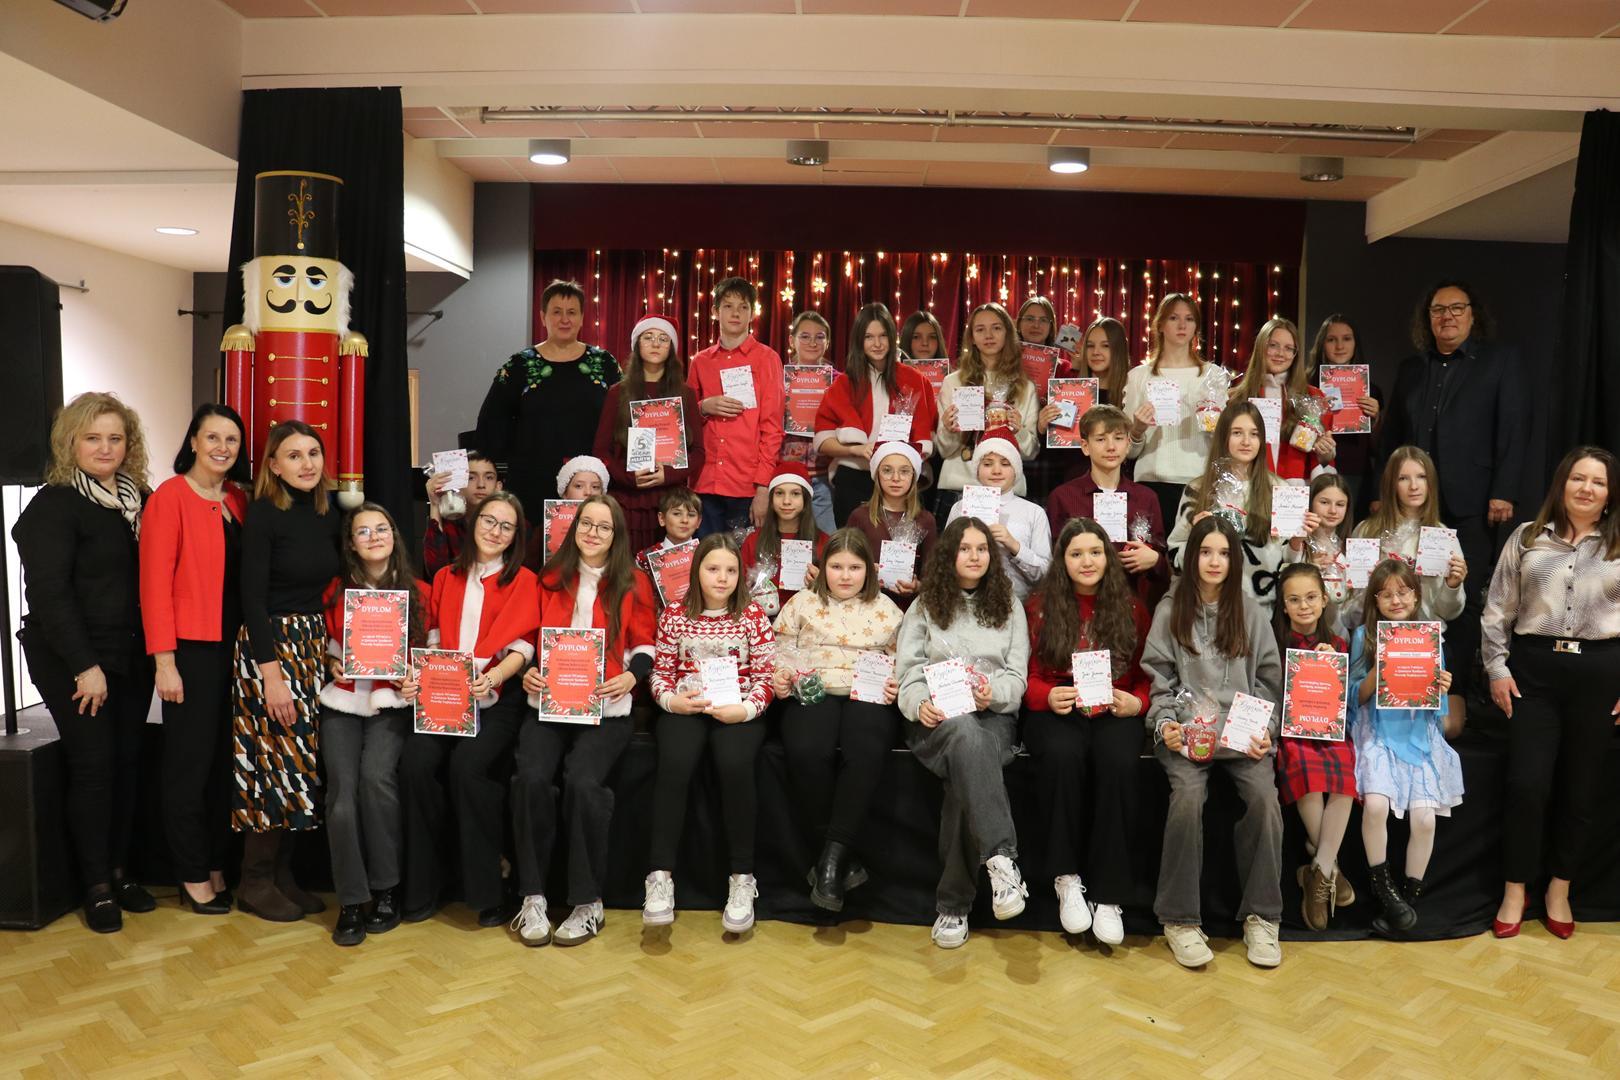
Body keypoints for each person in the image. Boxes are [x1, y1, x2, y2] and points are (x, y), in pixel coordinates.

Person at [15, 393, 155, 933]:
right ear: (69, 442)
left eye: (115, 438)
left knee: (126, 762)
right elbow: (50, 596)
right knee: (94, 766)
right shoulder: (53, 506)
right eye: (92, 438)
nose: (105, 448)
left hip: (130, 652)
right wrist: (84, 665)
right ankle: (96, 887)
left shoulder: (136, 500)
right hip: (73, 658)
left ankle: (119, 872)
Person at [1482, 447, 1620, 940]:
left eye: (1598, 482)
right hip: (1534, 673)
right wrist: (1496, 668)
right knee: (1527, 785)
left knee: (1581, 789)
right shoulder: (1526, 537)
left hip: (1600, 675)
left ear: (1610, 494)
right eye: (1578, 478)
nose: (1587, 488)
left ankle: (1559, 888)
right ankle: (1515, 888)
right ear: (1562, 484)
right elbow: (1497, 608)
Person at [511, 494, 656, 947]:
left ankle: (587, 902)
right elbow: (528, 637)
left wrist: (631, 678)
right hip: (549, 703)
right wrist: (527, 669)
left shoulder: (633, 581)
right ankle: (533, 896)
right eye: (586, 524)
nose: (593, 533)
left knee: (584, 782)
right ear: (574, 529)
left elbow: (645, 646)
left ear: (616, 535)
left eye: (603, 526)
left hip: (606, 707)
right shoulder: (550, 577)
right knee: (531, 778)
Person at [1379, 281, 1527, 719]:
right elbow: (1392, 436)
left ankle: (1454, 690)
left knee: (1460, 595)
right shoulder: (1412, 368)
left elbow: (1514, 426)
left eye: (1456, 308)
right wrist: (1379, 497)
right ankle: (1401, 682)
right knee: (1403, 592)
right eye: (1438, 310)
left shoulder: (1499, 362)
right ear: (1427, 319)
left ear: (1472, 314)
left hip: (1470, 504)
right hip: (1412, 504)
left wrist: (1504, 489)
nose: (1447, 316)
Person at [1142, 516, 1284, 970]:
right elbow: (1159, 681)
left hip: (1242, 738)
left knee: (1264, 801)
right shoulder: (1171, 611)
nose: (1215, 561)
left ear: (1235, 560)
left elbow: (1269, 682)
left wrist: (1266, 729)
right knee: (1187, 798)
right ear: (1192, 557)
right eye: (1206, 552)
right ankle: (1179, 919)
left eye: (1224, 553)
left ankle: (1263, 917)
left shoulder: (1251, 612)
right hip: (1189, 736)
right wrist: (1166, 723)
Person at [399, 491, 539, 926]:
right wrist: (422, 676)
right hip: (446, 696)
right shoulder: (446, 576)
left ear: (516, 536)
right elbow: (434, 639)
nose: (495, 531)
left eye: (506, 526)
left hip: (497, 698)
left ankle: (488, 887)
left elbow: (523, 648)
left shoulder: (524, 580)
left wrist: (493, 678)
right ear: (474, 522)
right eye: (488, 521)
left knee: (468, 767)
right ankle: (427, 883)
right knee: (415, 764)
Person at [895, 517, 1031, 950]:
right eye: (965, 548)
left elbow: (1017, 677)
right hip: (937, 719)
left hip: (993, 716)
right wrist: (920, 703)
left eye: (982, 549)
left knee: (966, 769)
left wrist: (995, 694)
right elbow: (908, 671)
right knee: (965, 737)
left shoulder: (1009, 605)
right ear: (949, 555)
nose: (974, 556)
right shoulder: (925, 605)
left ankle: (953, 907)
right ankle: (1002, 860)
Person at [140, 403, 249, 916]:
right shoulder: (169, 497)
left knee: (223, 765)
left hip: (235, 649)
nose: (222, 448)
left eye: (232, 439)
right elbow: (153, 586)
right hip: (190, 651)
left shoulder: (237, 499)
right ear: (193, 442)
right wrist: (164, 662)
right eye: (213, 437)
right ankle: (190, 872)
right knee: (189, 766)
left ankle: (216, 864)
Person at [232, 420, 343, 922]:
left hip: (311, 645)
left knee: (298, 764)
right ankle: (254, 881)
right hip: (270, 649)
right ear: (273, 466)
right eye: (294, 455)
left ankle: (282, 875)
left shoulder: (326, 513)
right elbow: (251, 600)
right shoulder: (263, 514)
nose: (307, 463)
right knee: (269, 763)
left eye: (313, 453)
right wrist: (271, 676)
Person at [1021, 518, 1150, 946]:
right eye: (1076, 554)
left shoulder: (1132, 608)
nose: (1087, 561)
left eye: (1095, 552)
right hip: (1060, 706)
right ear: (1062, 560)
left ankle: (1109, 894)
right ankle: (1066, 878)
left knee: (1119, 762)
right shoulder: (1039, 606)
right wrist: (1045, 695)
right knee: (1061, 756)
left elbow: (1146, 675)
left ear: (1108, 558)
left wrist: (1138, 703)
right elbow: (1027, 673)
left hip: (1114, 706)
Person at [643, 533, 776, 935]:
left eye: (731, 570)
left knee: (735, 764)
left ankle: (742, 878)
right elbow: (660, 674)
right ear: (696, 570)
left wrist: (745, 709)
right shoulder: (674, 615)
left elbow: (766, 676)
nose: (722, 578)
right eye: (713, 568)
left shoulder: (752, 616)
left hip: (736, 709)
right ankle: (660, 877)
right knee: (675, 763)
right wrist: (672, 702)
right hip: (686, 708)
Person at [771, 529, 904, 911]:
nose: (845, 576)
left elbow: (903, 658)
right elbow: (779, 650)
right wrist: (781, 675)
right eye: (836, 566)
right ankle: (844, 858)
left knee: (865, 752)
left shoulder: (887, 609)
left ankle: (829, 861)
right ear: (822, 567)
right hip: (812, 688)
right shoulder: (802, 603)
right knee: (807, 750)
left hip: (869, 694)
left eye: (855, 567)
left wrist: (897, 682)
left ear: (869, 570)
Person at [317, 503, 427, 945]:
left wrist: (414, 677)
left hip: (392, 704)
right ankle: (350, 899)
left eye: (382, 528)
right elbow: (328, 648)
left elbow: (431, 656)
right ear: (351, 543)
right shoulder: (335, 590)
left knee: (376, 780)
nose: (374, 537)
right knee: (341, 796)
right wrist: (332, 662)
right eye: (363, 531)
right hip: (343, 702)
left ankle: (386, 889)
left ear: (394, 536)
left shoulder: (419, 592)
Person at [1351, 559, 1462, 937]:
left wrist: (1442, 687)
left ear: (1416, 596)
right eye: (1386, 595)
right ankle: (1385, 892)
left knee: (1425, 819)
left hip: (1419, 732)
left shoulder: (1429, 638)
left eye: (1403, 592)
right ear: (1375, 600)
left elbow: (1438, 711)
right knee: (1376, 805)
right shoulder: (1365, 635)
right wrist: (1379, 668)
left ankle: (1407, 901)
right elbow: (1354, 698)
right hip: (1379, 731)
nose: (1396, 600)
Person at [475, 279, 622, 520]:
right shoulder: (519, 365)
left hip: (589, 488)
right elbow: (491, 423)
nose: (565, 319)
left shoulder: (605, 363)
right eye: (556, 312)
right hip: (530, 487)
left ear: (582, 318)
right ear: (543, 317)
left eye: (571, 312)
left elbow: (622, 420)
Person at [1351, 448, 1468, 734]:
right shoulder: (1367, 531)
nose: (1414, 486)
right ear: (1391, 483)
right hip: (1376, 641)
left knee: (1449, 725)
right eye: (1404, 478)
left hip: (1428, 644)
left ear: (1431, 483)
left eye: (1421, 477)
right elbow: (1353, 605)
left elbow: (1449, 612)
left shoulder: (1441, 535)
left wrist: (1453, 586)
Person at [1272, 563, 1355, 931]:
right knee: (1305, 768)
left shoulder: (1338, 645)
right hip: (1292, 732)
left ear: (1324, 600)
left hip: (1329, 730)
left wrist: (1328, 664)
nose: (1303, 606)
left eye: (1310, 598)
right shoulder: (1274, 644)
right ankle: (1331, 868)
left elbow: (1342, 701)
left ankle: (1317, 869)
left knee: (1344, 770)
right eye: (1294, 600)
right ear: (1283, 605)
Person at [814, 302, 938, 525]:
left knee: (899, 544)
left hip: (900, 479)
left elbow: (928, 435)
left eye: (883, 336)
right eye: (869, 337)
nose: (877, 344)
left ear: (892, 337)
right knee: (853, 544)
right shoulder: (843, 384)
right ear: (859, 340)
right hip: (854, 478)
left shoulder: (916, 381)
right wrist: (856, 449)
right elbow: (823, 441)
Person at [592, 315, 705, 553]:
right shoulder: (617, 393)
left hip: (671, 504)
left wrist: (669, 474)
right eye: (648, 337)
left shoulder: (686, 394)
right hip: (627, 502)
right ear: (637, 344)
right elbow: (601, 451)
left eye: (663, 339)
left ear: (671, 347)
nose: (655, 344)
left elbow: (698, 453)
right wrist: (628, 476)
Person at [1165, 401, 1287, 614]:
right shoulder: (1198, 489)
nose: (1246, 441)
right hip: (1207, 609)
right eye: (1237, 433)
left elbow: (1289, 560)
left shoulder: (1279, 489)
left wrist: (1297, 543)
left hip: (1261, 609)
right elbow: (1175, 555)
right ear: (1223, 437)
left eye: (1254, 434)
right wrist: (1196, 535)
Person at [688, 276, 785, 535]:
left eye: (743, 307)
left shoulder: (767, 359)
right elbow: (683, 420)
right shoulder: (700, 362)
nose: (735, 313)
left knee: (743, 558)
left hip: (746, 484)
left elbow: (773, 428)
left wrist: (763, 487)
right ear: (715, 311)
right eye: (728, 306)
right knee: (705, 556)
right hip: (704, 481)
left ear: (752, 313)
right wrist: (703, 407)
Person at [1046, 404, 1167, 608]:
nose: (1111, 447)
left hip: (1132, 603)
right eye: (1101, 439)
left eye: (1118, 438)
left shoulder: (1146, 498)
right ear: (1085, 446)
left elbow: (1162, 567)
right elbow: (1055, 560)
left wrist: (1154, 560)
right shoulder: (1063, 497)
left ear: (1128, 444)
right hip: (1077, 604)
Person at [934, 303, 1039, 518]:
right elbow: (944, 450)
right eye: (980, 329)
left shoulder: (1025, 387)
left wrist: (1018, 431)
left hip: (1008, 491)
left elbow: (1030, 453)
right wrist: (948, 430)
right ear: (972, 337)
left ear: (1007, 334)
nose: (988, 335)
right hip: (959, 487)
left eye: (996, 328)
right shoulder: (953, 383)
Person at [1123, 293, 1214, 530]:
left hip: (1197, 484)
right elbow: (1128, 452)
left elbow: (1221, 440)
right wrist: (1137, 430)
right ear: (1160, 324)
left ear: (1196, 327)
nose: (1182, 325)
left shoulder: (1212, 376)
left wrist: (1212, 420)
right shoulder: (1138, 377)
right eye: (1174, 318)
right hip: (1151, 484)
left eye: (1189, 319)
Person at [944, 432, 1051, 601]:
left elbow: (1045, 573)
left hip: (1017, 604)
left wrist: (1014, 546)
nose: (996, 471)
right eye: (987, 464)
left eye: (1005, 463)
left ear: (1016, 470)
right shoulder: (960, 508)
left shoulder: (1034, 513)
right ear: (977, 469)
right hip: (965, 603)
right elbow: (944, 560)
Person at [1229, 316, 1335, 483]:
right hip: (1250, 486)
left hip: (1296, 490)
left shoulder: (1313, 397)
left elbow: (1322, 461)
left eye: (1288, 348)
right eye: (1273, 345)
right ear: (1261, 347)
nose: (1280, 354)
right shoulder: (1236, 398)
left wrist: (1325, 452)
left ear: (1295, 354)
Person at [846, 442, 938, 611]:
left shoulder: (925, 520)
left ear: (914, 476)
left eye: (904, 471)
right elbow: (844, 563)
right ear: (877, 474)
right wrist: (865, 571)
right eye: (887, 470)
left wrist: (917, 586)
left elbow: (932, 576)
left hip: (909, 609)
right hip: (865, 606)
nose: (896, 478)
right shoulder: (860, 516)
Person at [1306, 314, 1382, 513]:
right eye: (1332, 340)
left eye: (1346, 339)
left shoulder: (1371, 391)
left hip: (1358, 476)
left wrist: (1376, 419)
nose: (1340, 346)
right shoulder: (1306, 386)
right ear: (1322, 344)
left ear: (1355, 343)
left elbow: (1377, 449)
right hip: (1316, 471)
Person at [738, 464, 827, 617]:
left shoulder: (824, 542)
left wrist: (823, 583)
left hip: (809, 618)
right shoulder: (753, 541)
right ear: (771, 498)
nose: (786, 501)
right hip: (761, 620)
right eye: (779, 493)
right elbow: (739, 589)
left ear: (806, 499)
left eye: (795, 494)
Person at [786, 310, 838, 535]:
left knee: (827, 542)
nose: (813, 342)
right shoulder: (779, 379)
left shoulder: (838, 381)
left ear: (828, 342)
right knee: (787, 540)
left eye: (820, 337)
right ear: (792, 341)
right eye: (805, 336)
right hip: (787, 474)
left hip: (823, 476)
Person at [1283, 473, 1355, 633]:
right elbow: (1289, 557)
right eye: (1324, 502)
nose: (1332, 510)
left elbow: (1354, 606)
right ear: (1310, 503)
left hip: (1340, 635)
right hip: (1300, 635)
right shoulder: (1298, 542)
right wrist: (1310, 568)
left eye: (1340, 504)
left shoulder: (1351, 548)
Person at [422, 451, 502, 582]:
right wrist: (435, 505)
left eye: (489, 477)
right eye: (471, 478)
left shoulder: (511, 527)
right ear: (459, 484)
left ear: (498, 487)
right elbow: (436, 572)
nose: (481, 485)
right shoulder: (450, 526)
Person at [635, 486, 702, 584]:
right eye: (677, 514)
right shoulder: (644, 558)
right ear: (662, 519)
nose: (685, 520)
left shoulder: (706, 554)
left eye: (691, 515)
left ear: (698, 522)